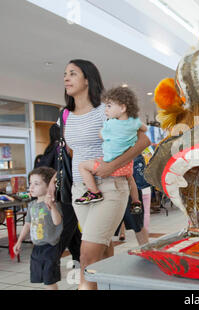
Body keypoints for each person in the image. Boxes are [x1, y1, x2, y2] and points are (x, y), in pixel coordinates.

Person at [46, 59, 150, 290]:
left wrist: (112, 166)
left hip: (110, 186)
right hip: (80, 191)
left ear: (87, 79)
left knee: (87, 257)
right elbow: (71, 154)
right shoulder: (65, 116)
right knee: (101, 251)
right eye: (65, 74)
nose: (66, 78)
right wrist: (54, 180)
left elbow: (144, 139)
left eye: (73, 73)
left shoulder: (106, 110)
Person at [74, 86, 147, 216]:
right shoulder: (134, 122)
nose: (105, 110)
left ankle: (94, 192)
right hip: (126, 164)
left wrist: (102, 131)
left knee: (83, 166)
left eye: (108, 106)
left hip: (108, 163)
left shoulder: (111, 124)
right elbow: (144, 129)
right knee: (131, 180)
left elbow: (101, 135)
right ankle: (136, 201)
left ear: (123, 108)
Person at [35, 124, 82, 265]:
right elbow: (64, 170)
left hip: (54, 195)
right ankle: (51, 261)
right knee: (66, 228)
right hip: (65, 193)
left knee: (72, 229)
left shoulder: (48, 150)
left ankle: (78, 259)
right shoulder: (60, 149)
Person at [14, 167, 63, 290]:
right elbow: (27, 224)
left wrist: (51, 206)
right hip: (36, 248)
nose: (31, 187)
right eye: (30, 184)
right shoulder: (32, 205)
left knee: (49, 280)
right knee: (42, 278)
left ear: (49, 186)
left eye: (36, 184)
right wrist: (19, 241)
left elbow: (57, 222)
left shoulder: (54, 204)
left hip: (50, 248)